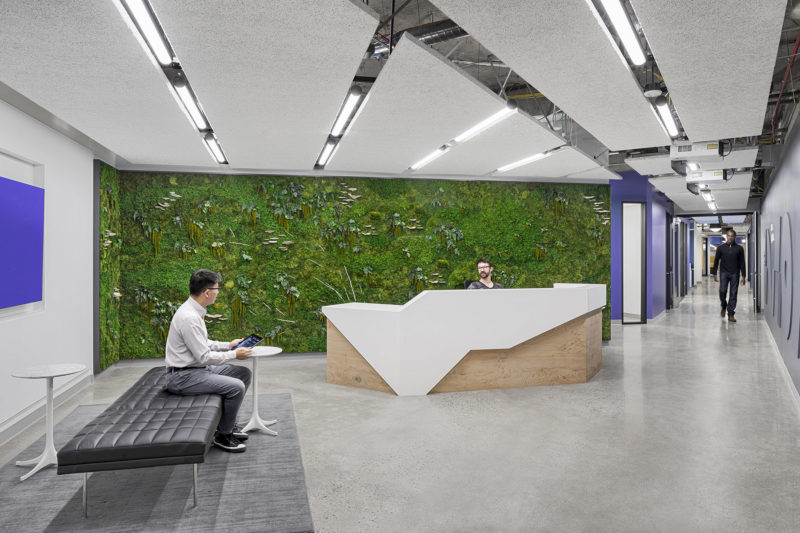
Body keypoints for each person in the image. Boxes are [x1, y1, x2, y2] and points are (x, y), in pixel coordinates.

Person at [165, 269, 253, 452]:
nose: (218, 292)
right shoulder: (189, 318)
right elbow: (204, 356)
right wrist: (234, 354)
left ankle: (226, 425)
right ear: (207, 292)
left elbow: (202, 343)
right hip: (183, 377)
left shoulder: (193, 310)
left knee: (243, 373)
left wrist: (228, 345)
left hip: (196, 370)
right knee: (236, 387)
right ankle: (223, 436)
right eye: (217, 288)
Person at [711, 229, 746, 322]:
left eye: (732, 236)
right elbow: (716, 260)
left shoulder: (739, 248)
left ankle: (731, 314)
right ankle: (724, 306)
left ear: (734, 237)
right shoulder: (720, 248)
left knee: (733, 294)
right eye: (729, 236)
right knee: (722, 291)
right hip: (724, 273)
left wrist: (743, 275)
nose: (730, 237)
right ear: (726, 236)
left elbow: (742, 262)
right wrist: (714, 273)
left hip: (735, 273)